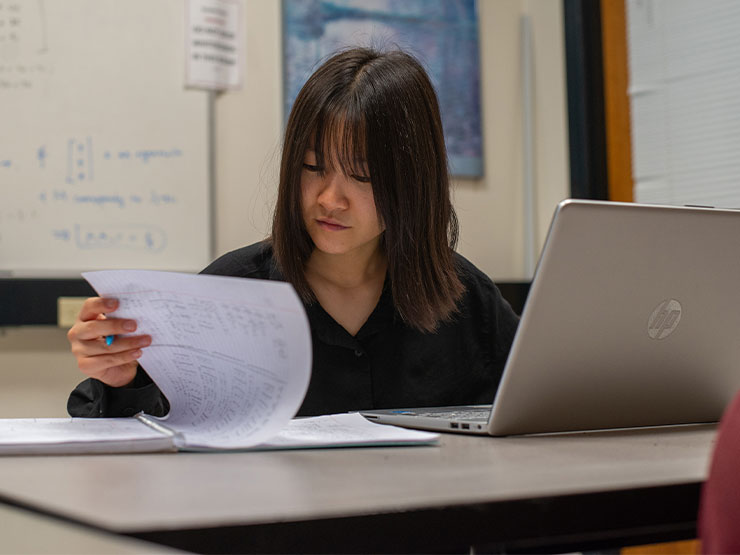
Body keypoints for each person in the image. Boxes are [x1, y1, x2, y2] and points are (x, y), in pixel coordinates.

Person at [66, 47, 520, 418]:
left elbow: (543, 411)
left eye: (362, 176)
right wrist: (119, 375)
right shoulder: (229, 293)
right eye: (312, 167)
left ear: (414, 179)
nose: (329, 198)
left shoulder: (465, 299)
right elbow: (131, 429)